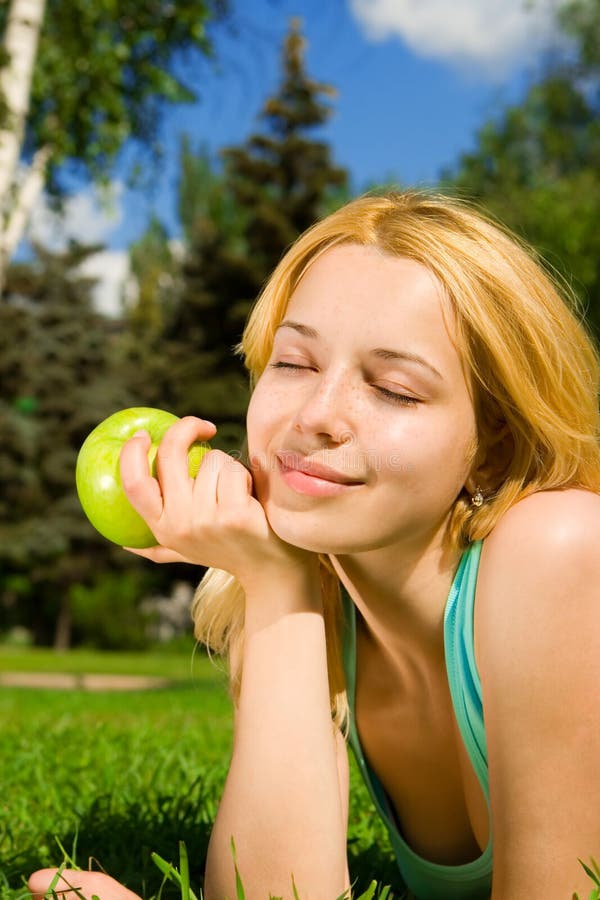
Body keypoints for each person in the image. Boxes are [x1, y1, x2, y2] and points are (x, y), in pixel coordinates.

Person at [29, 191, 600, 900]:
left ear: (492, 450)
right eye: (294, 364)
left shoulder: (563, 548)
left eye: (394, 390)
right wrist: (275, 583)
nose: (317, 415)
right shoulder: (303, 603)